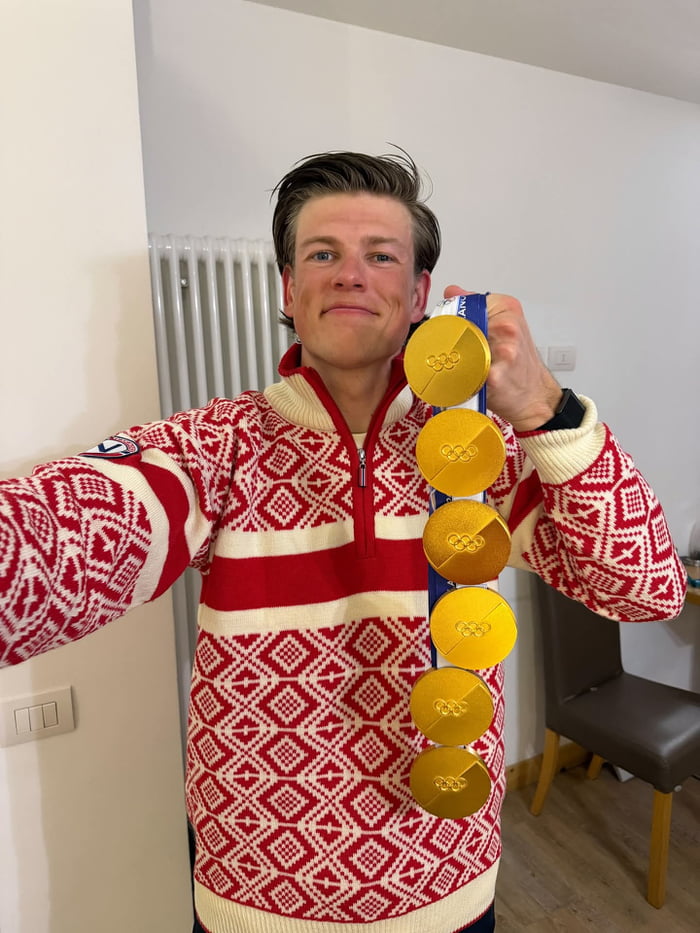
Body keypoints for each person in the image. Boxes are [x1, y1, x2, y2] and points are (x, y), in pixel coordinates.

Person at [0, 150, 685, 933]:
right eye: (322, 253)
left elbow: (646, 585)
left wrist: (544, 407)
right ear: (290, 290)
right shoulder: (216, 446)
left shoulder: (482, 458)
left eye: (381, 256)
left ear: (421, 293)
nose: (350, 274)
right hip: (254, 905)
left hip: (447, 895)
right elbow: (51, 539)